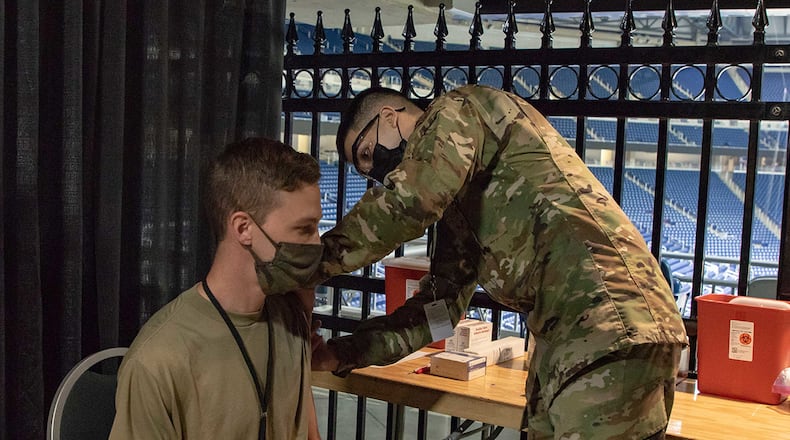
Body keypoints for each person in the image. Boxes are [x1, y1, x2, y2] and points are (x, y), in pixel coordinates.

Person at [310, 85, 688, 439]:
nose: (373, 173)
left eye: (365, 154)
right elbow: (437, 312)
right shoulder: (456, 206)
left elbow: (411, 201)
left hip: (609, 328)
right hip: (569, 343)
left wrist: (311, 264)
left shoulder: (458, 110)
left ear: (390, 117)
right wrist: (339, 353)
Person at [110, 138, 323, 439]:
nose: (316, 243)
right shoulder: (157, 360)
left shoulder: (292, 317)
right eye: (304, 229)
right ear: (243, 228)